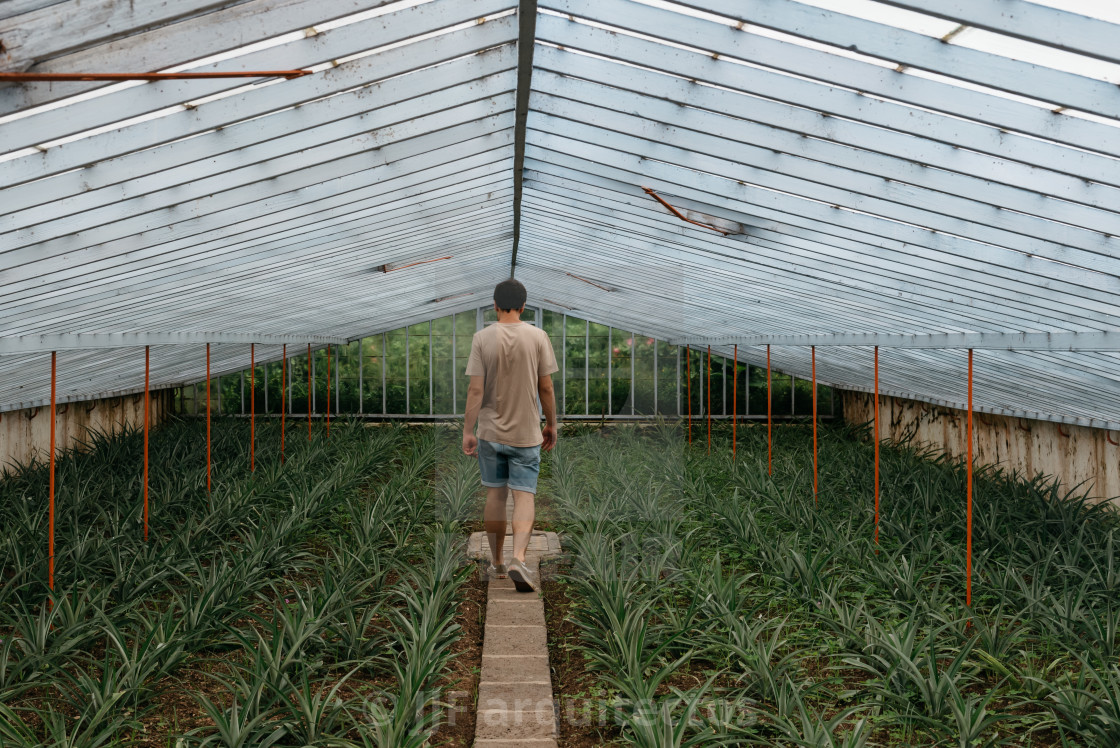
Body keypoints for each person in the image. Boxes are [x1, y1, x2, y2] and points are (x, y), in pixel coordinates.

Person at [462, 279, 558, 592]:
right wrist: (551, 423)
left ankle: (497, 563)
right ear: (524, 306)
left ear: (494, 305)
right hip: (526, 434)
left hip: (490, 433)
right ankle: (518, 557)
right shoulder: (538, 336)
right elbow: (546, 386)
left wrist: (468, 430)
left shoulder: (482, 338)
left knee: (495, 496)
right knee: (524, 495)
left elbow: (475, 389)